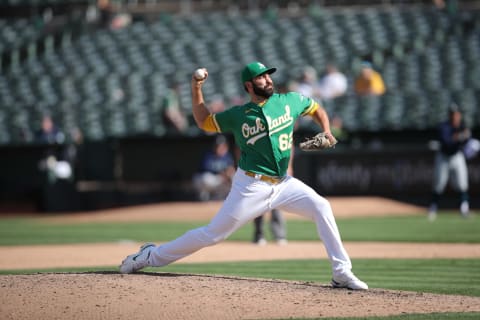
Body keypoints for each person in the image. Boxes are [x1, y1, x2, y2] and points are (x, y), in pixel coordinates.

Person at [120, 61, 368, 290]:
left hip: (284, 184)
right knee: (213, 235)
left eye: (268, 76)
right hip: (251, 185)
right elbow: (204, 121)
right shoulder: (239, 115)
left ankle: (341, 272)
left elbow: (316, 108)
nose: (268, 81)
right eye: (261, 78)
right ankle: (150, 255)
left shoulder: (289, 100)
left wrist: (326, 130)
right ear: (249, 85)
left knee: (322, 206)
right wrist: (196, 87)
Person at [428, 104, 471, 220]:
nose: (455, 116)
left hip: (457, 156)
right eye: (453, 114)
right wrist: (460, 136)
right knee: (439, 184)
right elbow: (447, 142)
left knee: (462, 183)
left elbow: (467, 140)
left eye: (457, 114)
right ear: (449, 115)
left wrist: (467, 140)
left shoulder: (462, 126)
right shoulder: (444, 127)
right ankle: (433, 208)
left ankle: (464, 209)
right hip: (443, 157)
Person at [192, 135, 235, 201]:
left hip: (221, 181)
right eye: (218, 146)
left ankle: (220, 196)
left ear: (226, 147)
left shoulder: (228, 157)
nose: (220, 148)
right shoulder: (209, 155)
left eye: (222, 146)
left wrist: (229, 173)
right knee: (206, 178)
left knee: (234, 177)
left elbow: (231, 170)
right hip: (208, 180)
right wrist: (223, 174)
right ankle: (205, 194)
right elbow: (205, 171)